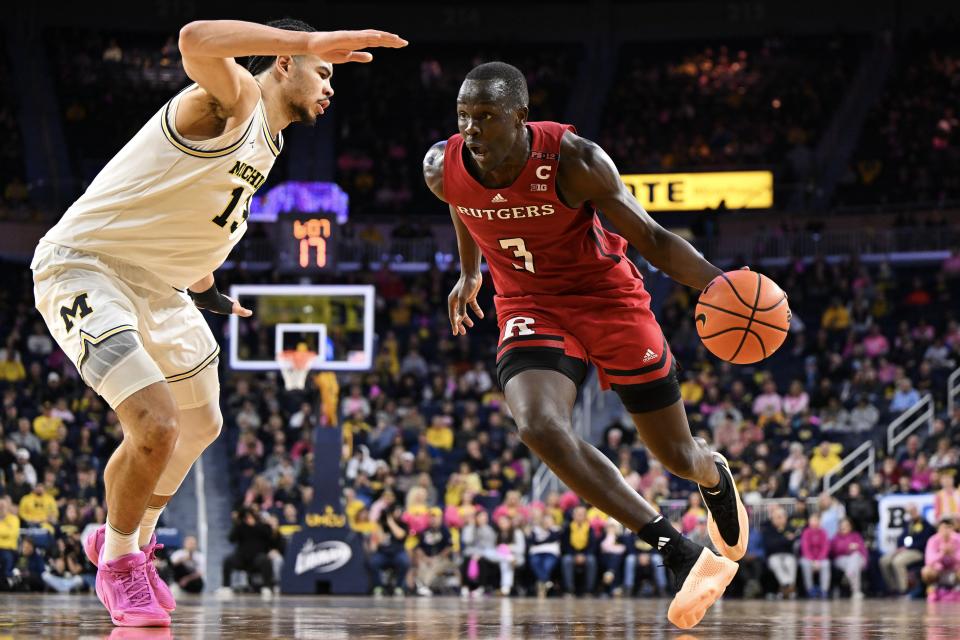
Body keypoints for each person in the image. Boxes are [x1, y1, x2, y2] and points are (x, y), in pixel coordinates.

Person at [29, 17, 405, 627]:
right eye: (324, 72)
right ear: (283, 62)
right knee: (155, 422)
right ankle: (118, 561)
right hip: (88, 268)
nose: (331, 85)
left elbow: (193, 218)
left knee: (203, 424)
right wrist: (305, 42)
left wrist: (210, 290)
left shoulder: (269, 142)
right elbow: (193, 38)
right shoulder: (237, 98)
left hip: (162, 285)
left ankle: (125, 536)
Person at [422, 60, 743, 630]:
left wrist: (722, 285)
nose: (471, 129)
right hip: (529, 306)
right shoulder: (441, 166)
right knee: (538, 426)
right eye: (463, 117)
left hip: (607, 299)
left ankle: (712, 474)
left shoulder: (575, 160)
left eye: (487, 117)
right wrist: (471, 272)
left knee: (674, 456)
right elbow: (462, 204)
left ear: (521, 118)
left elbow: (651, 237)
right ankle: (677, 549)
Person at [220, 508, 277, 597]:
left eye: (251, 516)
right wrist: (237, 523)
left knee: (265, 560)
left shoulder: (263, 526)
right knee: (228, 560)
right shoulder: (240, 526)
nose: (249, 519)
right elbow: (231, 539)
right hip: (242, 558)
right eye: (247, 517)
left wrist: (255, 525)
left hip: (257, 558)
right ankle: (225, 587)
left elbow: (270, 537)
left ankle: (267, 587)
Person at [879, 504, 934, 595]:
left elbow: (924, 542)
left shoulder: (926, 525)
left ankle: (903, 589)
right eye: (909, 512)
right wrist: (900, 547)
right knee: (884, 561)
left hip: (917, 551)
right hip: (904, 550)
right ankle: (893, 588)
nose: (911, 513)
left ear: (917, 511)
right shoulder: (908, 524)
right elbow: (901, 538)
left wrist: (908, 547)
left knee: (898, 562)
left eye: (913, 511)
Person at [367, 503, 411, 597]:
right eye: (396, 510)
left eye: (399, 510)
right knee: (373, 562)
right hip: (383, 553)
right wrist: (380, 525)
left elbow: (400, 535)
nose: (399, 512)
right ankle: (378, 587)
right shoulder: (381, 525)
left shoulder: (403, 524)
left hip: (398, 553)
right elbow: (377, 543)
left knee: (405, 562)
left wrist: (390, 522)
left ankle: (399, 587)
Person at [561, 505, 598, 596]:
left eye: (582, 514)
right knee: (566, 560)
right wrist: (575, 555)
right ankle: (569, 590)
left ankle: (589, 591)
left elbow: (593, 545)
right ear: (573, 515)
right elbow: (564, 545)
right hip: (572, 554)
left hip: (586, 554)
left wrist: (583, 555)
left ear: (585, 516)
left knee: (591, 560)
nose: (580, 516)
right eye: (578, 514)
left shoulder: (590, 528)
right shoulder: (568, 528)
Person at [922, 516, 960, 602]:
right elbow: (929, 561)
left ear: (953, 528)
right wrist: (942, 554)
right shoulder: (932, 540)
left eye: (949, 527)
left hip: (955, 571)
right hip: (939, 571)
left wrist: (953, 554)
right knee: (926, 571)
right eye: (943, 527)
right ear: (938, 528)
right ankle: (933, 588)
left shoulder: (958, 539)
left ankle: (957, 589)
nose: (946, 530)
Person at [762, 506, 798, 598]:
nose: (779, 519)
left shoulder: (790, 527)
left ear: (785, 517)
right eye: (776, 517)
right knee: (776, 562)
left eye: (781, 517)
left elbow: (793, 541)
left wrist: (780, 540)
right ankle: (789, 587)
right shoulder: (768, 528)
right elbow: (769, 545)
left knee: (790, 562)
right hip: (773, 556)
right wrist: (785, 539)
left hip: (788, 555)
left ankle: (785, 588)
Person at [831, 517, 867, 599]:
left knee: (855, 557)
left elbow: (863, 550)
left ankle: (849, 575)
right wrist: (848, 548)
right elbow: (835, 551)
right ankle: (856, 591)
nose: (844, 527)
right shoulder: (836, 537)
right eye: (842, 525)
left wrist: (865, 562)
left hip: (857, 560)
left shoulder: (856, 536)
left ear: (850, 526)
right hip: (841, 560)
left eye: (846, 525)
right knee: (853, 563)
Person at [799, 513, 831, 598]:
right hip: (808, 558)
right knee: (805, 564)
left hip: (821, 558)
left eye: (816, 520)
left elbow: (825, 547)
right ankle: (809, 589)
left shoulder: (824, 532)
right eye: (812, 520)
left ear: (820, 522)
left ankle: (824, 590)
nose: (814, 522)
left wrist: (819, 560)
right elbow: (805, 548)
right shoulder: (806, 532)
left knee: (826, 564)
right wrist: (812, 560)